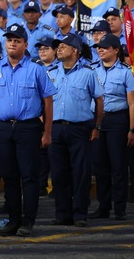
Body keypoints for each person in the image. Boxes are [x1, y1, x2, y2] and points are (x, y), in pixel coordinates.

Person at [48, 32, 103, 227]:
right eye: (58, 46)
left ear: (75, 51)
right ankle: (62, 213)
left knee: (81, 172)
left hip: (80, 128)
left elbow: (99, 100)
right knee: (58, 173)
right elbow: (44, 101)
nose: (59, 49)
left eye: (63, 46)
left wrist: (97, 126)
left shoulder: (88, 73)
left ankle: (80, 214)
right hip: (55, 128)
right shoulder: (51, 72)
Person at [91, 34, 134, 221]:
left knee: (118, 166)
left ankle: (120, 208)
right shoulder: (93, 70)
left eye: (105, 47)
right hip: (97, 121)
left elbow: (132, 103)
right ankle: (103, 206)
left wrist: (132, 129)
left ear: (116, 50)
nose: (100, 50)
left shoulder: (125, 72)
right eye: (99, 47)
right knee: (100, 166)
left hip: (117, 120)